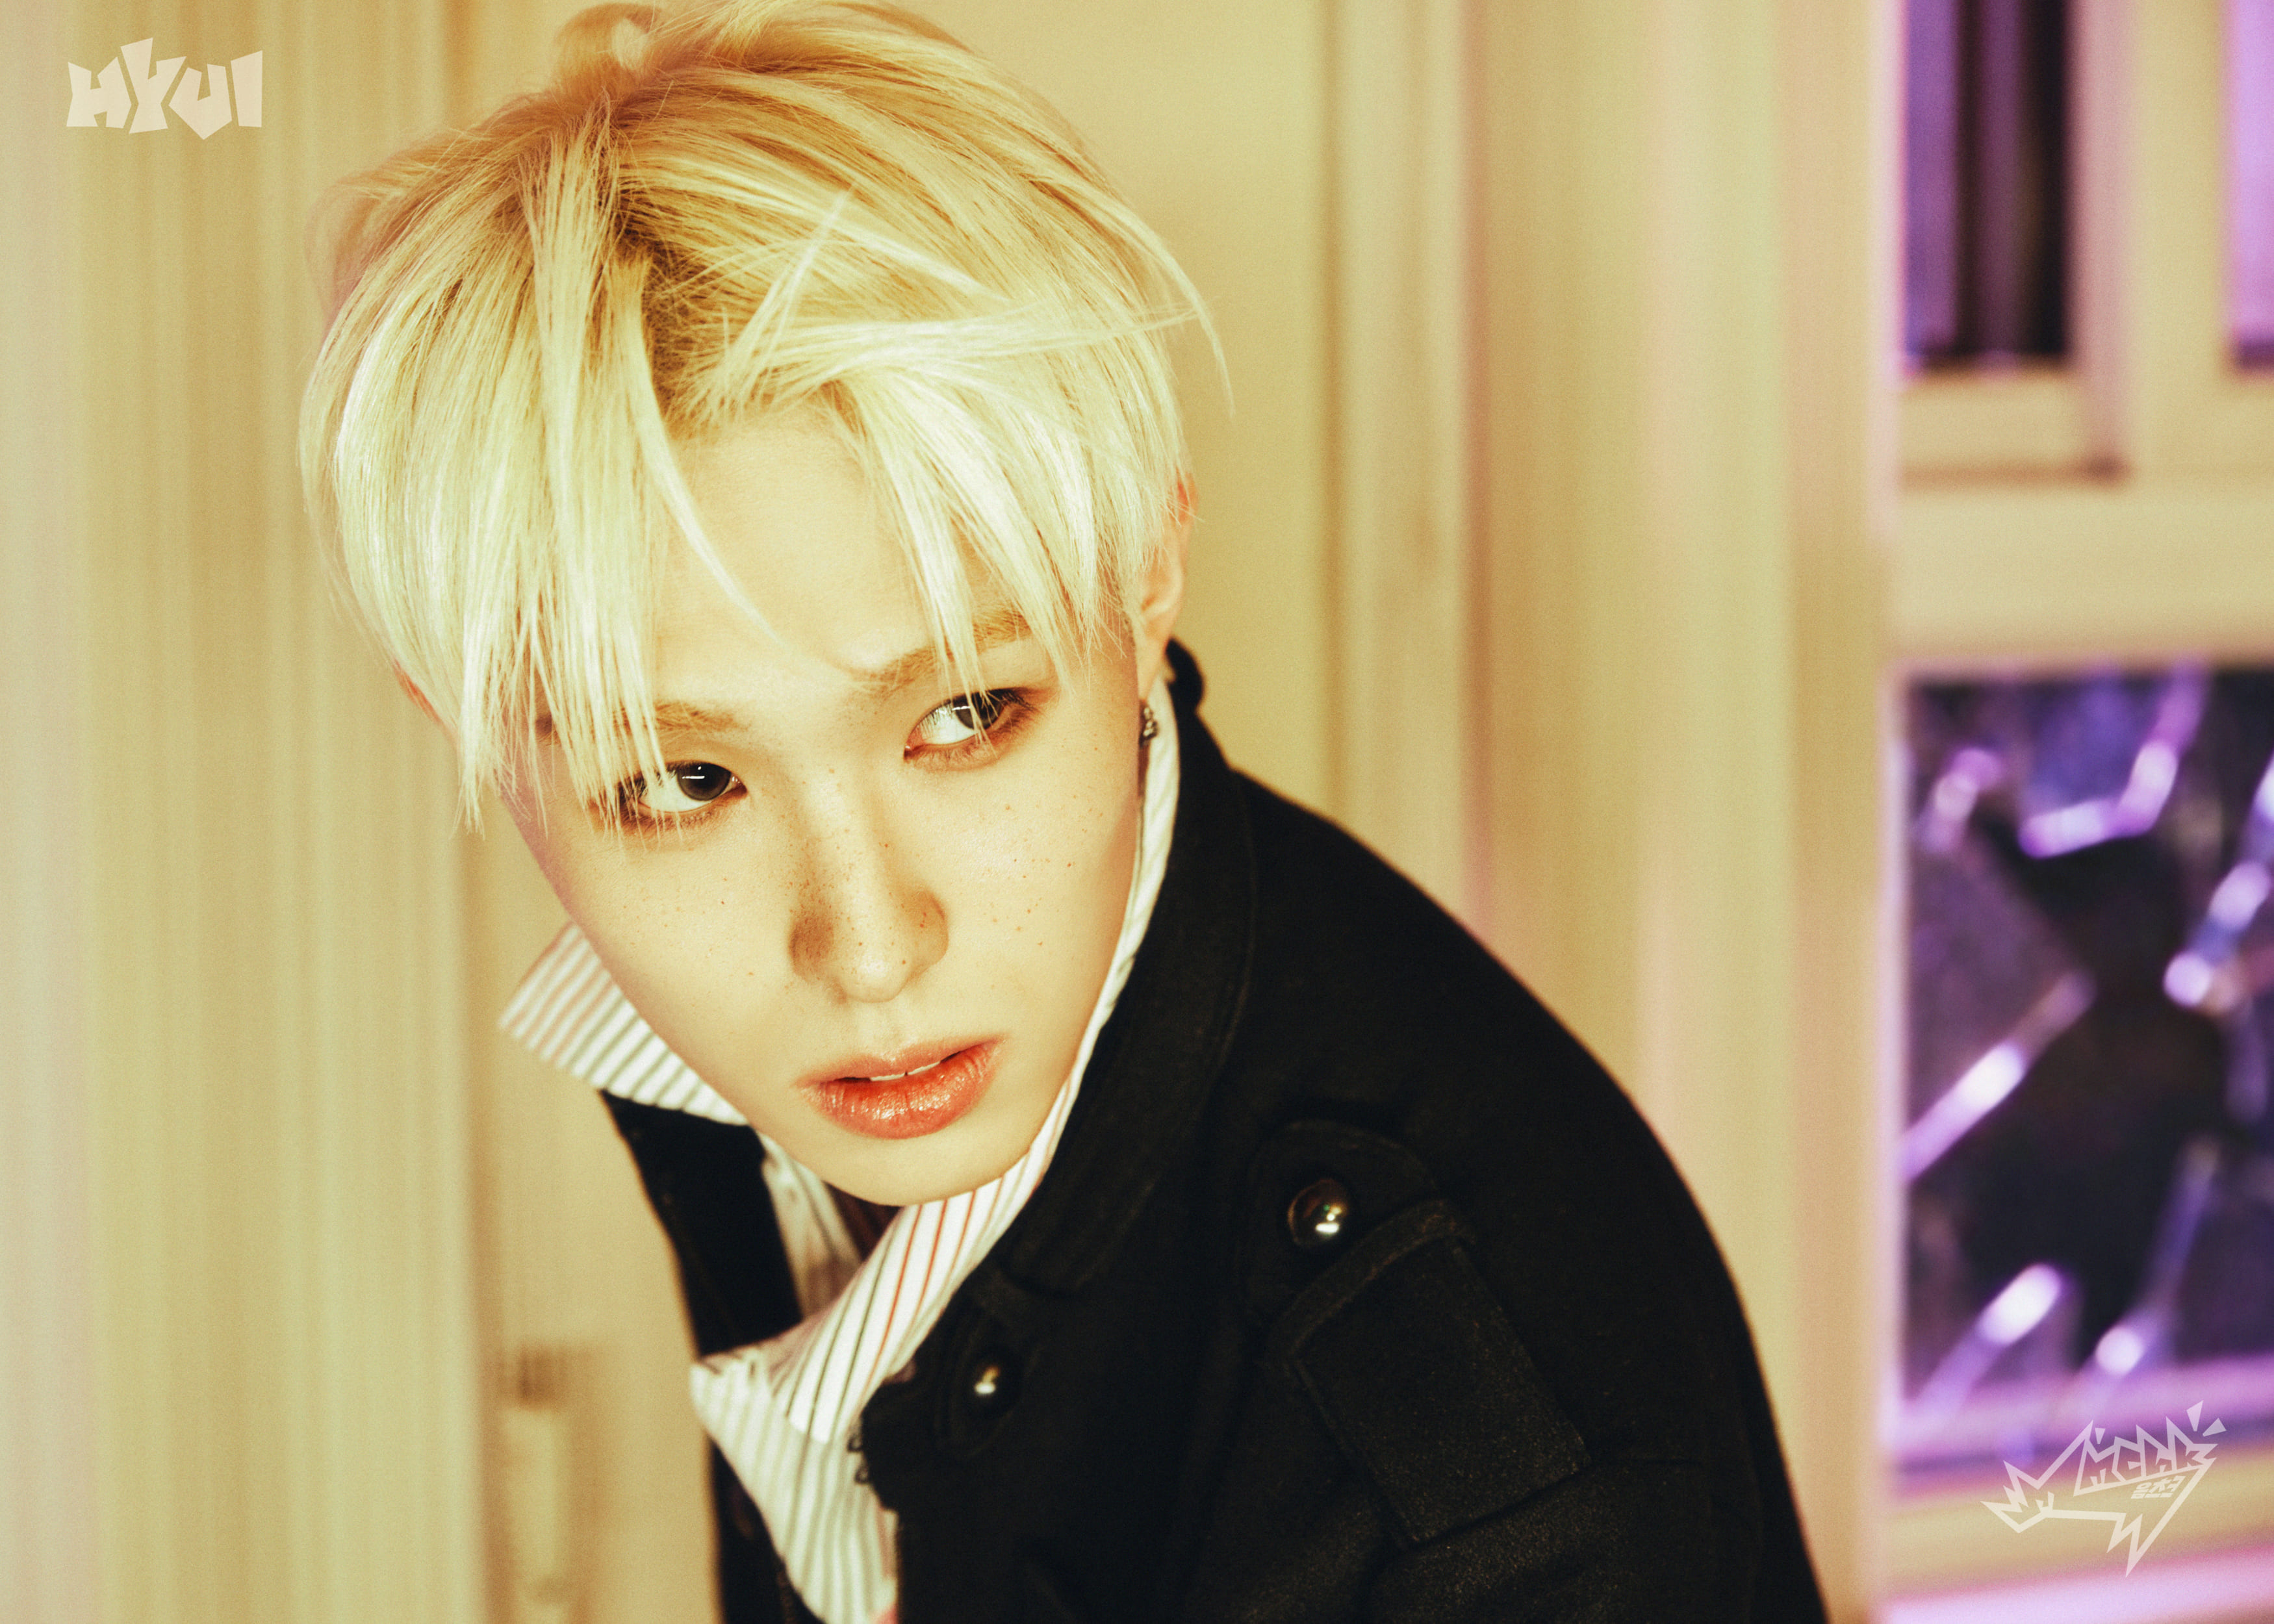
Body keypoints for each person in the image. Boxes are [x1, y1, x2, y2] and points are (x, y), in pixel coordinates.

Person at [300, 2, 1827, 1619]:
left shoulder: (1502, 1516)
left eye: (966, 712)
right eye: (687, 779)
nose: (868, 949)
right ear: (468, 722)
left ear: (1146, 569)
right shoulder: (764, 1056)